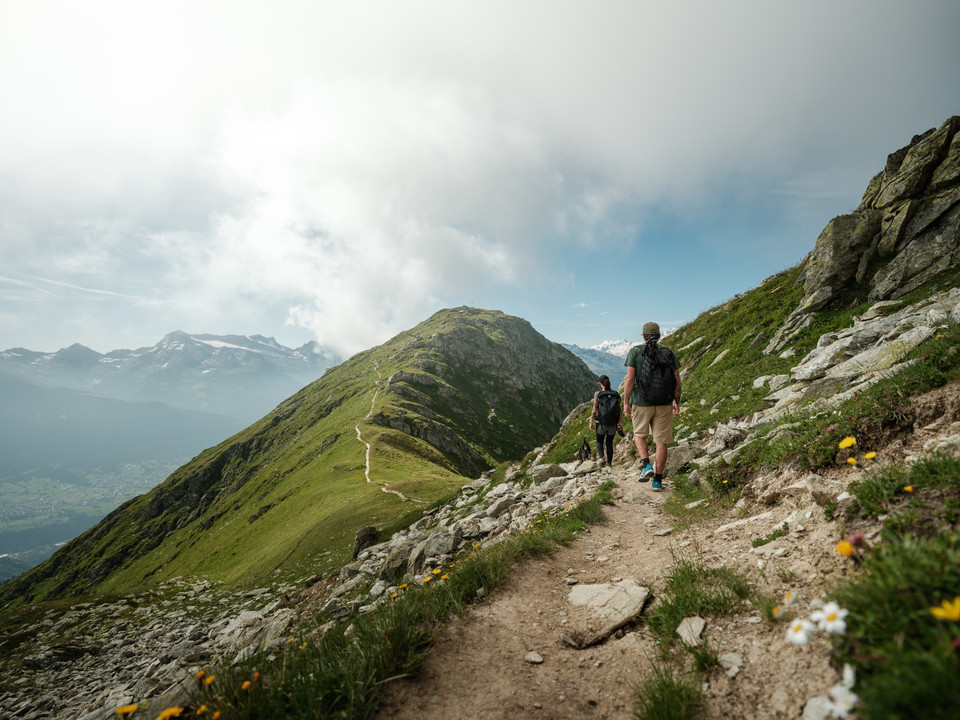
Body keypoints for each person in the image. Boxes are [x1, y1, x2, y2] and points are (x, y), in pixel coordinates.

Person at [623, 322, 681, 491]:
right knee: (661, 442)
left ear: (644, 336)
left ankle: (646, 465)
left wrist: (626, 403)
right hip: (664, 403)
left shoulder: (635, 351)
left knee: (639, 435)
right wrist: (676, 401)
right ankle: (657, 481)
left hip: (641, 403)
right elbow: (677, 380)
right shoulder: (668, 353)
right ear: (660, 335)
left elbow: (630, 379)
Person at [589, 375, 622, 467]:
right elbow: (619, 410)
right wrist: (620, 423)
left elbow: (594, 409)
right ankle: (610, 463)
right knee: (609, 444)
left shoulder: (598, 394)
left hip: (601, 424)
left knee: (599, 441)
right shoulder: (616, 394)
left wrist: (591, 422)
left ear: (601, 384)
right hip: (613, 425)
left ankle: (602, 458)